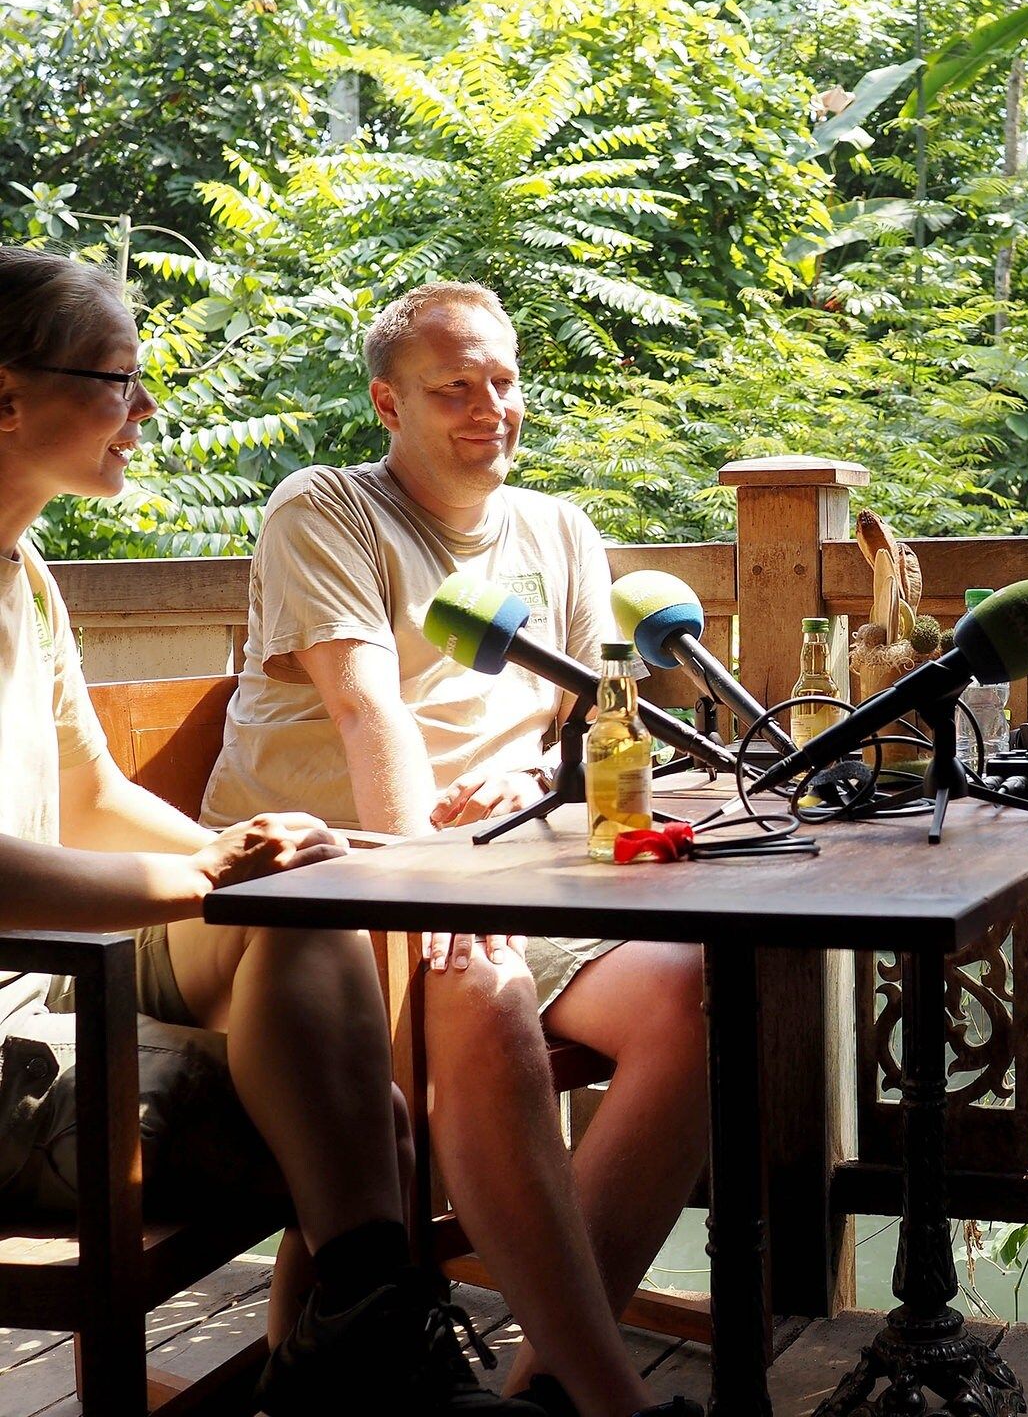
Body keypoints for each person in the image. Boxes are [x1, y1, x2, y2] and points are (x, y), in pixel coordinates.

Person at [0, 246, 541, 1415]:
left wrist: (256, 850)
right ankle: (362, 1354)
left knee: (307, 906)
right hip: (22, 1018)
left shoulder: (25, 574)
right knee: (376, 1122)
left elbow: (86, 795)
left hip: (69, 969)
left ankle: (351, 1345)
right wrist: (200, 880)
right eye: (117, 379)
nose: (145, 410)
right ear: (6, 396)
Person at [202, 281, 707, 1417]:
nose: (490, 406)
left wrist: (535, 771)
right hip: (333, 886)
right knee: (477, 979)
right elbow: (366, 709)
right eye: (454, 388)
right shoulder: (323, 507)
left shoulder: (561, 531)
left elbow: (581, 717)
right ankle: (613, 1396)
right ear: (388, 402)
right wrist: (433, 883)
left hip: (511, 862)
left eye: (504, 381)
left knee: (693, 991)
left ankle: (539, 1390)